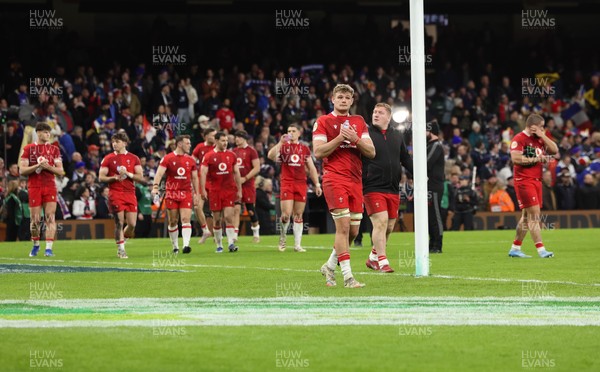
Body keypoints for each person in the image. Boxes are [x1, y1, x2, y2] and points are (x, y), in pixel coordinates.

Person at [313, 84, 375, 288]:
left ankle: (329, 266)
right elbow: (319, 152)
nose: (343, 100)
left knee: (354, 232)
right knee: (343, 226)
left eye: (347, 98)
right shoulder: (323, 121)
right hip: (334, 178)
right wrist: (340, 137)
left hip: (356, 180)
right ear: (333, 99)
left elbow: (371, 152)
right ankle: (348, 277)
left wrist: (355, 138)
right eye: (340, 97)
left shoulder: (359, 121)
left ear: (352, 101)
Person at [363, 103, 413, 273]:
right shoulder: (366, 135)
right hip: (372, 186)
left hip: (392, 187)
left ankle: (372, 258)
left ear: (389, 117)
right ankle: (383, 262)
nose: (375, 115)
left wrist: (420, 173)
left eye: (380, 112)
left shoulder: (397, 135)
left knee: (390, 226)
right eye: (374, 112)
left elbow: (405, 159)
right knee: (381, 222)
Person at [508, 114, 558, 258]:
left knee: (525, 217)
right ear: (532, 127)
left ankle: (515, 248)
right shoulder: (519, 139)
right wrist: (537, 158)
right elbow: (516, 159)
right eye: (541, 126)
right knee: (534, 216)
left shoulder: (539, 139)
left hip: (536, 181)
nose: (543, 129)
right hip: (524, 181)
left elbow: (554, 150)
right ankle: (541, 250)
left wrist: (543, 135)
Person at [267, 123, 322, 252]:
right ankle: (283, 237)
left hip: (300, 183)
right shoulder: (283, 147)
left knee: (298, 214)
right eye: (288, 131)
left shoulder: (304, 149)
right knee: (286, 215)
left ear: (299, 133)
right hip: (287, 183)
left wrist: (317, 184)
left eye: (293, 131)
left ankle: (297, 245)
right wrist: (280, 143)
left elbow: (312, 168)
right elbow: (270, 155)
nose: (290, 133)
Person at [19, 122, 65, 257]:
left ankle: (49, 248)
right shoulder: (28, 149)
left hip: (50, 185)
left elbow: (61, 171)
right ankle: (36, 244)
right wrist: (37, 166)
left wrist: (47, 167)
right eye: (45, 132)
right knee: (35, 219)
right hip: (34, 186)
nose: (48, 135)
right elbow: (22, 170)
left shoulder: (54, 150)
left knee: (50, 217)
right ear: (38, 133)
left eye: (49, 132)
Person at [98, 132, 144, 259]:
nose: (114, 144)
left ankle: (122, 240)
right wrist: (114, 178)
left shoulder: (134, 158)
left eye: (117, 142)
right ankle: (121, 249)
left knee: (132, 224)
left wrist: (128, 174)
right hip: (115, 192)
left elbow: (140, 177)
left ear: (124, 143)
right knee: (119, 222)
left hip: (130, 193)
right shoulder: (108, 158)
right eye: (113, 142)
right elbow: (101, 177)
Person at [151, 135, 200, 254]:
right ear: (180, 144)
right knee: (173, 221)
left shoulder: (191, 160)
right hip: (172, 193)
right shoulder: (167, 158)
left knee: (185, 218)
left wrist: (197, 193)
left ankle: (186, 245)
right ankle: (175, 247)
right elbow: (158, 174)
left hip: (186, 193)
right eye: (187, 143)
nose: (189, 145)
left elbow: (194, 178)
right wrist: (155, 187)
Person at [200, 131, 242, 253]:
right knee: (217, 219)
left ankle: (230, 244)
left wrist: (239, 189)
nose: (225, 143)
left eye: (227, 141)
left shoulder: (232, 155)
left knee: (229, 216)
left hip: (229, 190)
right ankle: (219, 245)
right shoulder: (209, 156)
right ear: (217, 141)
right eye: (223, 141)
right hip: (215, 191)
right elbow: (203, 173)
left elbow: (237, 173)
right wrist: (203, 190)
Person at [232, 130, 261, 243]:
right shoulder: (233, 151)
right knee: (236, 208)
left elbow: (257, 168)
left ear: (244, 138)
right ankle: (235, 234)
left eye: (238, 137)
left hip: (248, 184)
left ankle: (256, 234)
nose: (236, 139)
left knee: (250, 210)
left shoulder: (251, 151)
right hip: (236, 185)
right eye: (236, 137)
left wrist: (245, 178)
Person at [191, 128, 216, 243]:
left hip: (215, 181)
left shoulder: (218, 147)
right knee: (197, 207)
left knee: (215, 210)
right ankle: (205, 230)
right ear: (205, 136)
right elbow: (191, 161)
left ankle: (217, 233)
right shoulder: (200, 147)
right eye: (212, 135)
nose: (214, 137)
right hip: (202, 180)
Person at [426, 120, 446, 253]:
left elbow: (426, 163)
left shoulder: (436, 146)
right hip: (429, 185)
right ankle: (432, 243)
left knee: (435, 216)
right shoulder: (432, 145)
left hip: (434, 185)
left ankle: (437, 244)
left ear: (430, 131)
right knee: (430, 216)